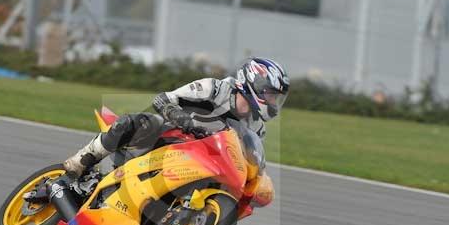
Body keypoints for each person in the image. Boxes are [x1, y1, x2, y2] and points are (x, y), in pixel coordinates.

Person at [63, 57, 290, 177]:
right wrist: (182, 119)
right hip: (170, 136)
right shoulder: (214, 88)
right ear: (253, 84)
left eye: (276, 98)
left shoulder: (257, 127)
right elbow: (162, 100)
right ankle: (81, 161)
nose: (272, 102)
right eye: (270, 94)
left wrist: (258, 176)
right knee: (132, 122)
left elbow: (249, 161)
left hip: (201, 160)